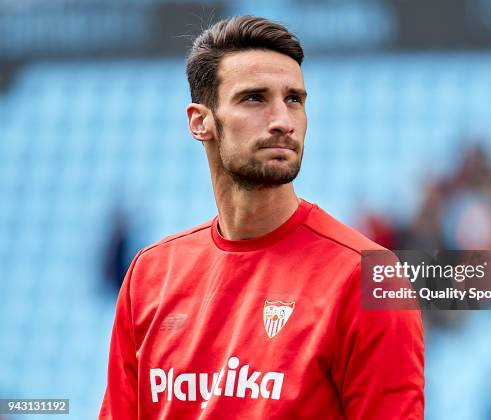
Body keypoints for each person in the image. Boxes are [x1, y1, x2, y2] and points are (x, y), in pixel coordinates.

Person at [99, 15, 424, 419]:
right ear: (200, 122)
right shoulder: (150, 275)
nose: (283, 122)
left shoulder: (366, 277)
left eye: (294, 100)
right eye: (254, 98)